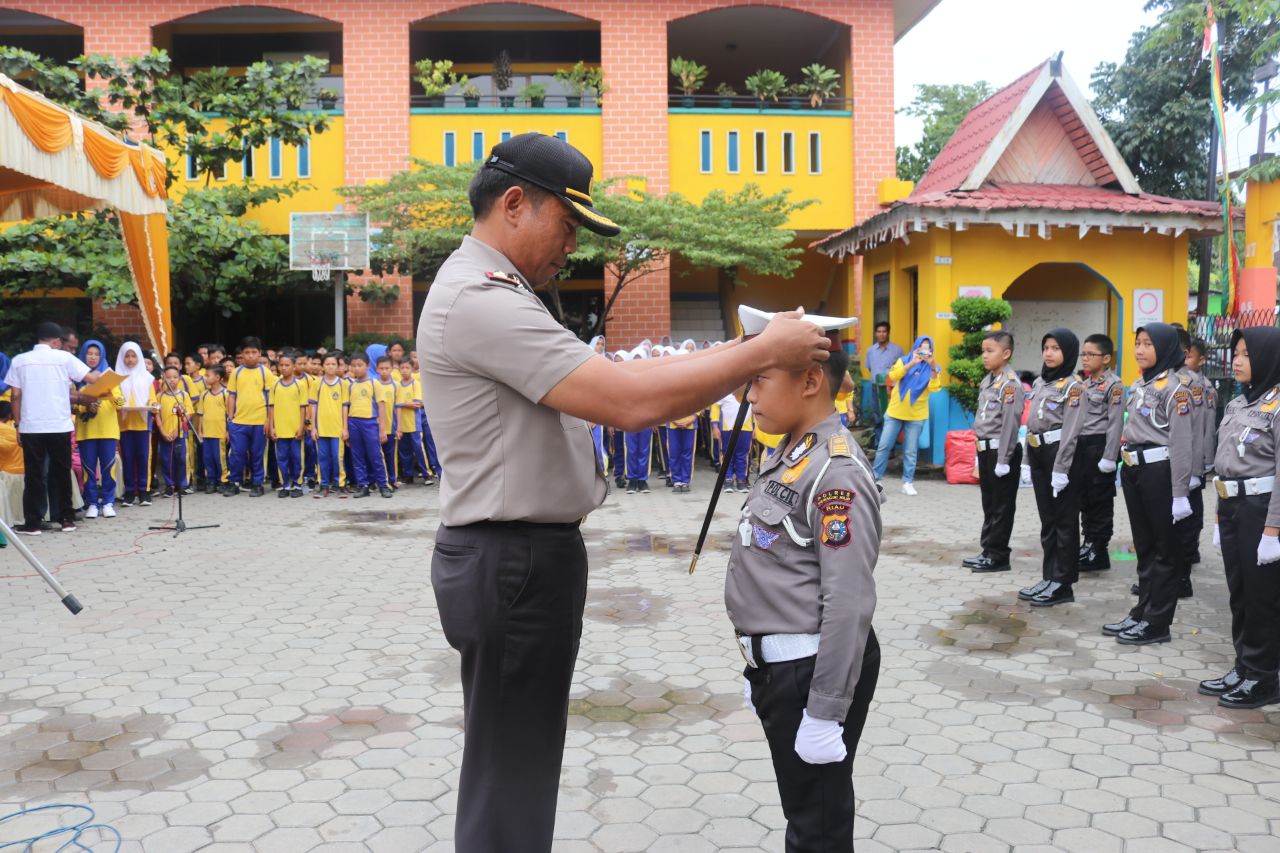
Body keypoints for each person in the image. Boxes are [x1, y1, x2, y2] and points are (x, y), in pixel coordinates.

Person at [417, 131, 828, 852]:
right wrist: (762, 353)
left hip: (521, 559)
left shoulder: (502, 291)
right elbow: (631, 399)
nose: (572, 246)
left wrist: (739, 350)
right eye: (567, 225)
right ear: (515, 204)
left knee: (519, 766)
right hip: (510, 562)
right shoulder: (482, 298)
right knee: (510, 777)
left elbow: (639, 377)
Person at [729, 323, 880, 852]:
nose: (749, 396)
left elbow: (848, 601)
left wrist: (825, 709)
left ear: (811, 380)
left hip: (811, 669)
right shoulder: (794, 450)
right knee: (806, 811)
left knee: (817, 826)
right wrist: (758, 666)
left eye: (759, 381)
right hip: (782, 668)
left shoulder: (835, 469)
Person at [1201, 326, 1280, 709]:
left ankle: (1264, 676)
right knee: (1240, 592)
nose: (1237, 359)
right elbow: (1225, 466)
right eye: (1236, 352)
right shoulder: (1237, 403)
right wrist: (1218, 519)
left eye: (1247, 354)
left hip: (1261, 510)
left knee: (1262, 596)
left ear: (1266, 358)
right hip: (1232, 507)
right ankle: (1244, 665)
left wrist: (1273, 530)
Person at [1102, 323, 1195, 645]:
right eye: (1137, 343)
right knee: (1145, 547)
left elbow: (1183, 444)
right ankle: (1142, 610)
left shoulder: (1176, 389)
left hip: (1160, 471)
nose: (1139, 350)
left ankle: (1158, 622)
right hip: (1134, 469)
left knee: (1164, 550)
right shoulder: (1141, 384)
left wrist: (1181, 492)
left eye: (1147, 344)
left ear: (1166, 348)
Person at [4, 322, 101, 534]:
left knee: (34, 475)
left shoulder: (20, 361)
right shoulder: (64, 358)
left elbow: (16, 395)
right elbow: (92, 378)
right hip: (59, 425)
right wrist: (110, 379)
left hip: (31, 427)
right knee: (62, 472)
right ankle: (66, 519)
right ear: (56, 341)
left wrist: (19, 425)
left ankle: (33, 523)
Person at [1017, 329, 1084, 607]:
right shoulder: (1042, 383)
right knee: (1048, 521)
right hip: (1038, 451)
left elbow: (1072, 430)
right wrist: (1025, 462)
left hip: (1060, 455)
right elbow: (1031, 423)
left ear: (1067, 352)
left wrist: (1062, 467)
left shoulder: (1073, 387)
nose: (1049, 353)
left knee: (1065, 522)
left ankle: (1063, 583)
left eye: (1056, 348)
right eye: (1046, 347)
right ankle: (1049, 576)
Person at [965, 331, 1024, 574]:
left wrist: (1004, 458)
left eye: (990, 351)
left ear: (1006, 353)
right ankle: (988, 549)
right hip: (986, 450)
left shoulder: (1010, 385)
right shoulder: (988, 381)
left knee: (1002, 506)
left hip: (1002, 452)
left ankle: (999, 555)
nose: (984, 356)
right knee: (989, 504)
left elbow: (1011, 424)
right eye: (983, 351)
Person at [1077, 334, 1125, 572]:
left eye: (1090, 354)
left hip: (1100, 447)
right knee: (1085, 498)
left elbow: (1115, 424)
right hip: (1082, 446)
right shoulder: (1084, 384)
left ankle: (1099, 548)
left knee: (1100, 500)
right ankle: (1088, 543)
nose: (1085, 359)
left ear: (1105, 358)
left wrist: (1109, 456)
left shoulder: (1114, 385)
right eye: (1083, 354)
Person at [872, 335, 940, 495]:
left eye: (927, 347)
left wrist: (932, 367)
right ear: (915, 347)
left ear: (931, 350)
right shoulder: (903, 360)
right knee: (884, 446)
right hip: (895, 412)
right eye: (921, 346)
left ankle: (907, 482)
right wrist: (912, 363)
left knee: (910, 451)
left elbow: (935, 388)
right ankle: (875, 479)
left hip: (917, 415)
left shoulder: (934, 367)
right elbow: (893, 376)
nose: (924, 350)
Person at [75, 340, 123, 519]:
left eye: (96, 354)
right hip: (86, 432)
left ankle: (108, 502)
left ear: (102, 356)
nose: (93, 357)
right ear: (83, 355)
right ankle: (92, 503)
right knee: (88, 468)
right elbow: (72, 406)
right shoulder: (78, 379)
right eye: (89, 353)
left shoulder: (110, 378)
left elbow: (121, 404)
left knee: (108, 467)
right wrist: (86, 407)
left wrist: (110, 394)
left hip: (108, 431)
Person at [225, 336, 273, 497]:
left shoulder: (265, 372)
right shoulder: (236, 373)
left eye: (254, 352)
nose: (250, 355)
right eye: (247, 352)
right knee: (237, 453)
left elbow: (270, 399)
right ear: (242, 354)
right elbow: (231, 396)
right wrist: (230, 419)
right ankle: (234, 482)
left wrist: (268, 420)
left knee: (257, 454)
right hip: (239, 421)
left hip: (259, 421)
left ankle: (257, 483)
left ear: (260, 354)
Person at [343, 353, 392, 499]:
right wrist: (346, 428)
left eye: (360, 365)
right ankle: (362, 485)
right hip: (353, 422)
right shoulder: (350, 385)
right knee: (357, 456)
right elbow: (346, 406)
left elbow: (381, 406)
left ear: (367, 366)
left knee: (375, 455)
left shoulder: (374, 383)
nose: (356, 369)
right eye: (354, 366)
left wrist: (382, 430)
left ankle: (383, 485)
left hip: (370, 422)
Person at [115, 342, 157, 508]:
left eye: (133, 356)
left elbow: (152, 398)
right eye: (127, 356)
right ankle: (130, 492)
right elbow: (116, 397)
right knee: (127, 458)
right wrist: (119, 403)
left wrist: (154, 405)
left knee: (143, 457)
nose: (130, 360)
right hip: (124, 424)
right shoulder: (117, 378)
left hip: (142, 423)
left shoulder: (147, 378)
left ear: (139, 357)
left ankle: (144, 491)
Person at [267, 351, 309, 498]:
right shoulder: (275, 385)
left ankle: (297, 485)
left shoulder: (300, 385)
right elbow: (271, 407)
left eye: (287, 365)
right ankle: (285, 484)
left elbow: (303, 407)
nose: (284, 368)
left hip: (295, 429)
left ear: (293, 366)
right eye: (281, 365)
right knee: (282, 459)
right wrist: (271, 427)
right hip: (280, 430)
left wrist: (302, 426)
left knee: (297, 458)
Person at [310, 354, 348, 497]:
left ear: (338, 366)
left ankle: (340, 484)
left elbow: (345, 407)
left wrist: (345, 428)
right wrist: (313, 427)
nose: (330, 366)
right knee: (322, 458)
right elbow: (312, 406)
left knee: (337, 457)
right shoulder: (317, 384)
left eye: (333, 364)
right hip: (321, 429)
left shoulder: (343, 384)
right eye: (327, 364)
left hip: (337, 429)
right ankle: (323, 484)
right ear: (323, 366)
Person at [394, 359, 433, 485]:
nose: (404, 370)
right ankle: (408, 475)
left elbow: (417, 404)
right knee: (404, 451)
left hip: (414, 424)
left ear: (411, 369)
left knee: (419, 449)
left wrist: (402, 404)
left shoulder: (415, 383)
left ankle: (427, 474)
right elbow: (396, 406)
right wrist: (404, 404)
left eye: (407, 368)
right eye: (402, 368)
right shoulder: (398, 385)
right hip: (402, 424)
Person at [155, 366, 192, 497]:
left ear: (180, 378)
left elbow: (189, 414)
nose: (172, 380)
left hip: (180, 434)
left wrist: (178, 429)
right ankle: (169, 485)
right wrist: (163, 431)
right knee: (166, 460)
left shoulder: (183, 395)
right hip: (165, 435)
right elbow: (157, 415)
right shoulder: (159, 397)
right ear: (163, 379)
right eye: (168, 377)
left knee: (181, 459)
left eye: (175, 377)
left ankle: (182, 485)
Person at [864, 321, 905, 441]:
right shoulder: (870, 351)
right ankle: (878, 444)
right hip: (874, 387)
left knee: (889, 417)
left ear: (888, 333)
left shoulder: (897, 350)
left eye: (884, 331)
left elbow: (901, 369)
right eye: (879, 331)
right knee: (877, 416)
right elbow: (871, 368)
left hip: (890, 388)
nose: (881, 334)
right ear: (876, 333)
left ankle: (890, 447)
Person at [195, 364, 230, 494]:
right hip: (207, 433)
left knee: (220, 459)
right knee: (207, 458)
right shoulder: (204, 395)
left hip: (220, 433)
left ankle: (223, 481)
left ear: (217, 377)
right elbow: (200, 414)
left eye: (208, 375)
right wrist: (200, 431)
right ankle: (211, 480)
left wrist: (228, 431)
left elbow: (229, 415)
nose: (205, 378)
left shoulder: (226, 394)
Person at [714, 390, 753, 493]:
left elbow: (756, 407)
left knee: (742, 455)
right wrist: (715, 426)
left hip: (746, 428)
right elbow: (715, 407)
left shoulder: (750, 390)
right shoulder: (725, 389)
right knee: (727, 454)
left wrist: (757, 427)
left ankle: (741, 480)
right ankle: (728, 480)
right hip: (727, 428)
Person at [375, 356, 399, 487]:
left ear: (392, 369)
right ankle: (378, 480)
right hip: (375, 427)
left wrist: (399, 427)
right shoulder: (374, 385)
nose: (384, 371)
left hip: (391, 426)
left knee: (391, 455)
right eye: (381, 368)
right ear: (377, 369)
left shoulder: (396, 386)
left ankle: (392, 479)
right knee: (377, 455)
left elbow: (398, 408)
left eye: (387, 368)